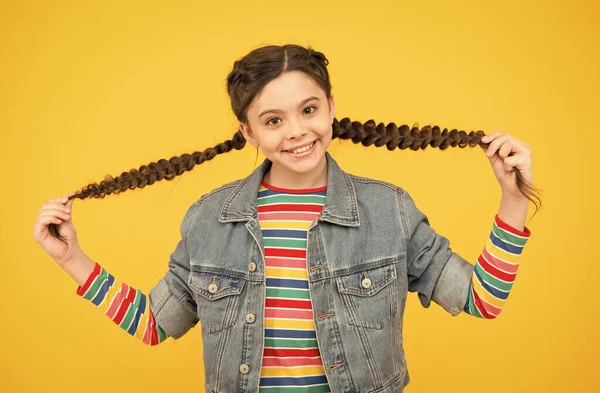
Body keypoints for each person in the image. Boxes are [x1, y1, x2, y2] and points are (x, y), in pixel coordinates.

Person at [33, 44, 538, 393]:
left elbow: (481, 300)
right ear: (248, 132)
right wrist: (73, 259)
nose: (297, 132)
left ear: (332, 107)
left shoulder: (390, 211)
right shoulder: (209, 220)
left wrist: (513, 202)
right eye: (273, 120)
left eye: (309, 109)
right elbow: (152, 324)